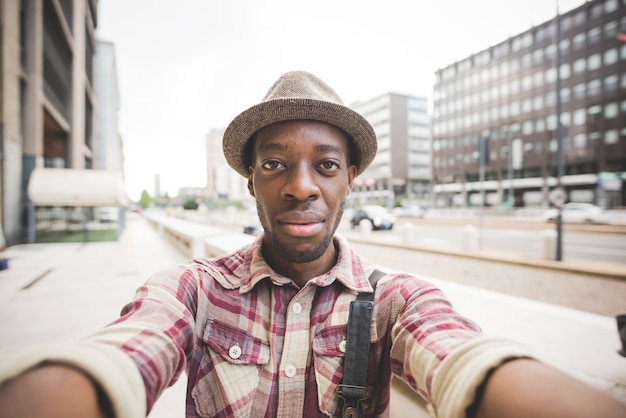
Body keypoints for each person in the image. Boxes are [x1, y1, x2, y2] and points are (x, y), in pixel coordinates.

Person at [0, 71, 624, 418]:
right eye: (275, 164)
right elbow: (127, 350)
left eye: (326, 165)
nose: (302, 188)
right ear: (249, 180)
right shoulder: (192, 290)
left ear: (352, 177)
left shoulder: (395, 301)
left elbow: (460, 355)